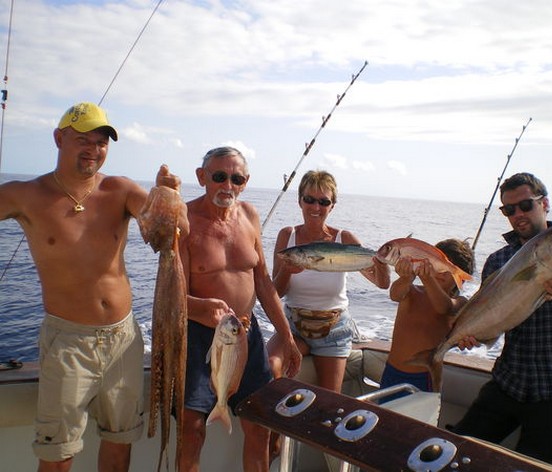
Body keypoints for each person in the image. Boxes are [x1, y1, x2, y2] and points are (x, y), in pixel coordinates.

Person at [0, 102, 186, 472]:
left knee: (120, 443)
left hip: (124, 340)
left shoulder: (120, 189)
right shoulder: (25, 194)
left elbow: (169, 235)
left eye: (101, 142)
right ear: (58, 138)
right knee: (58, 454)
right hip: (68, 343)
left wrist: (169, 199)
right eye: (82, 139)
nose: (93, 149)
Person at [451, 172, 552, 465]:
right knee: (457, 455)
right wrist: (471, 337)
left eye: (525, 205)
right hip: (509, 381)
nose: (518, 214)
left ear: (544, 203)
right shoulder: (497, 260)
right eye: (509, 209)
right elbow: (490, 321)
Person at [177, 146, 302, 472]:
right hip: (198, 337)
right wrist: (201, 307)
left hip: (247, 334)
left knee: (259, 425)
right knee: (191, 430)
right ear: (201, 177)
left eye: (237, 178)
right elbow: (171, 295)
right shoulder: (185, 221)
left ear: (245, 182)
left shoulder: (250, 216)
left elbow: (262, 281)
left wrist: (286, 337)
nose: (227, 185)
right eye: (219, 177)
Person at [267, 170, 390, 393]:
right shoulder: (288, 236)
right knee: (269, 368)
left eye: (324, 201)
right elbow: (276, 292)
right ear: (299, 201)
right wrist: (287, 270)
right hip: (294, 327)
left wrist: (384, 263)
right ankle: (275, 428)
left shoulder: (345, 239)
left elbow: (382, 284)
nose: (316, 207)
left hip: (334, 331)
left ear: (332, 205)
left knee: (329, 402)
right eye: (309, 199)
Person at [380, 239, 474, 396]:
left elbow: (443, 308)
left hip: (425, 378)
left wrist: (427, 277)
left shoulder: (459, 302)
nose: (442, 273)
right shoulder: (413, 291)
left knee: (420, 419)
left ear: (460, 278)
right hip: (391, 372)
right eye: (437, 266)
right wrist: (406, 278)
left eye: (448, 269)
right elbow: (395, 294)